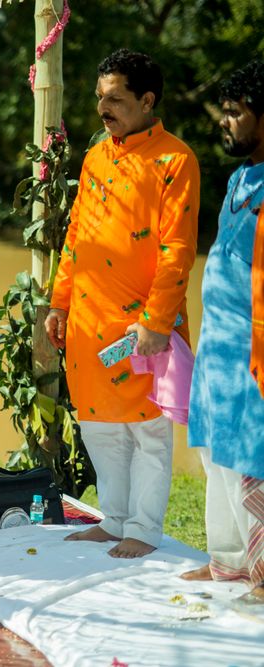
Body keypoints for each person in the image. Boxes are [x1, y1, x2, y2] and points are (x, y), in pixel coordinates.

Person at [45, 49, 200, 558]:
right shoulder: (95, 156)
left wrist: (157, 322)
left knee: (148, 431)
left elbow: (178, 251)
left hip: (142, 322)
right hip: (89, 320)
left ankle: (144, 529)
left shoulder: (175, 160)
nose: (103, 109)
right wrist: (59, 304)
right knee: (99, 425)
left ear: (147, 100)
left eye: (115, 99)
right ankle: (113, 520)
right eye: (99, 99)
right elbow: (75, 237)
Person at [180, 61, 264, 606]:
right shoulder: (239, 179)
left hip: (254, 353)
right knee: (217, 456)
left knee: (251, 461)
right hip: (218, 349)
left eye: (235, 112)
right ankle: (229, 563)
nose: (225, 122)